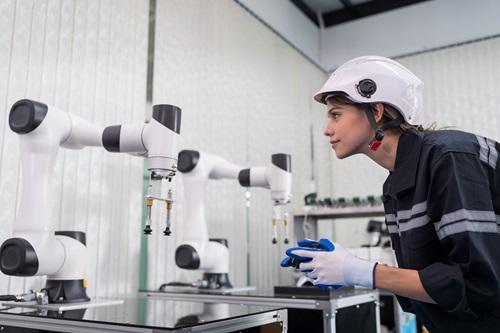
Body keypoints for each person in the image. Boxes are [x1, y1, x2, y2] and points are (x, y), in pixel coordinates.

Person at [281, 56, 500, 332]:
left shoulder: (450, 158)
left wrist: (359, 271)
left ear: (376, 110)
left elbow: (479, 287)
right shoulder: (396, 184)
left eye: (336, 114)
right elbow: (422, 293)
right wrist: (348, 265)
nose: (327, 130)